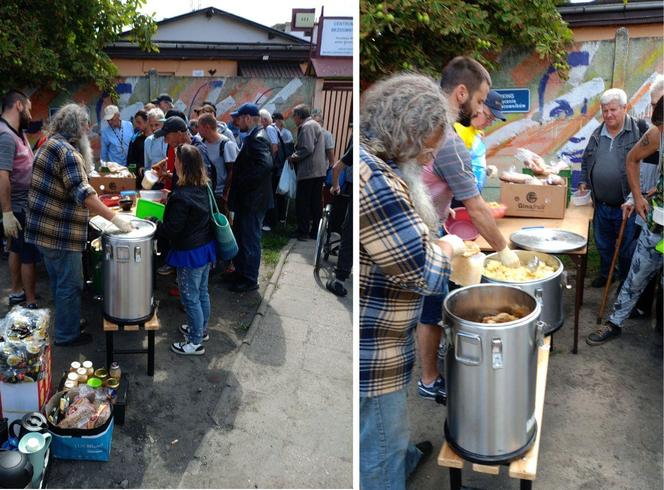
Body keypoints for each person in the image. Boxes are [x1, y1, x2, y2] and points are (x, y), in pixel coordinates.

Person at [359, 73, 466, 490]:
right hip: (376, 360)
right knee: (379, 455)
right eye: (426, 149)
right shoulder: (379, 182)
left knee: (385, 437)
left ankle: (400, 457)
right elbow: (423, 271)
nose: (427, 161)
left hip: (384, 344)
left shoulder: (377, 166)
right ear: (406, 131)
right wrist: (450, 248)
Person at [417, 56, 520, 401]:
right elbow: (476, 207)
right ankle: (429, 379)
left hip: (426, 226)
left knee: (430, 306)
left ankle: (430, 370)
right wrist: (504, 251)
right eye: (479, 101)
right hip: (423, 236)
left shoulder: (421, 121)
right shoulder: (445, 137)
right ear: (462, 93)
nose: (480, 110)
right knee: (431, 308)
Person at [25, 103, 132, 346]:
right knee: (70, 285)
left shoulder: (48, 143)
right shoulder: (68, 153)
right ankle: (67, 335)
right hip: (59, 234)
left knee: (58, 281)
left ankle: (66, 322)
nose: (88, 128)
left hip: (42, 231)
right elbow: (83, 192)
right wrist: (114, 218)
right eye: (85, 124)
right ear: (75, 126)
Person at [586, 95, 663, 345]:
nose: (661, 133)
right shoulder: (655, 135)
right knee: (634, 277)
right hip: (656, 226)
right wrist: (638, 197)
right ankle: (615, 323)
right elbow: (632, 159)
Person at [578, 88, 648, 288]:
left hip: (627, 204)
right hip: (601, 204)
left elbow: (645, 167)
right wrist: (584, 180)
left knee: (626, 248)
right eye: (604, 110)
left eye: (613, 110)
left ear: (625, 108)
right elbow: (586, 160)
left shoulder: (638, 132)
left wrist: (636, 197)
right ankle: (608, 272)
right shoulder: (597, 133)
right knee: (603, 244)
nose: (608, 114)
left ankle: (625, 282)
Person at [152, 144, 216, 355]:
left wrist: (153, 221)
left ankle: (195, 342)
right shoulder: (203, 186)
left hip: (190, 252)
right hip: (205, 248)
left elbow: (172, 230)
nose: (173, 162)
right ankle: (202, 329)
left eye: (176, 160)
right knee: (202, 293)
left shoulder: (182, 196)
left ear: (183, 164)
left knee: (190, 297)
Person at [152, 116, 213, 277]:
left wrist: (175, 197)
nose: (165, 141)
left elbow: (201, 184)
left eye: (167, 136)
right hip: (190, 231)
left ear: (180, 133)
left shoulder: (197, 150)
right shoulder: (181, 149)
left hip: (194, 239)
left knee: (192, 290)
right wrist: (169, 177)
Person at [227, 103, 273, 293]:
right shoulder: (254, 136)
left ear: (247, 118)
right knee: (242, 237)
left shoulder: (258, 138)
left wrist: (243, 183)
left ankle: (249, 279)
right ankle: (240, 272)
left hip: (253, 201)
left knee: (250, 239)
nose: (236, 122)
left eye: (238, 118)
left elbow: (265, 165)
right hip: (249, 200)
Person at [0, 90, 40, 308]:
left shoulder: (17, 132)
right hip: (19, 207)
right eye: (29, 108)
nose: (30, 114)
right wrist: (7, 212)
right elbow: (2, 174)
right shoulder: (5, 136)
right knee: (28, 254)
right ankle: (31, 301)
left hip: (21, 204)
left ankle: (17, 291)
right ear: (18, 105)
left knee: (16, 248)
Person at [453, 89, 505, 193]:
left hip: (472, 194)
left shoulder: (477, 132)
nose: (489, 123)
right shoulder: (458, 131)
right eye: (489, 117)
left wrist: (484, 169)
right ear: (478, 107)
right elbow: (454, 168)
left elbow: (469, 161)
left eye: (493, 120)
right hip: (459, 196)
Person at [288, 104, 327, 241]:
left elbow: (307, 148)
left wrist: (293, 157)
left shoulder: (307, 126)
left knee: (303, 203)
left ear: (299, 116)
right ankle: (314, 232)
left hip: (309, 171)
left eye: (294, 116)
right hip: (318, 171)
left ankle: (303, 232)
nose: (294, 119)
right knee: (315, 203)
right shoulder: (314, 125)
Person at [197, 112, 239, 216]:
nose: (197, 130)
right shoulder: (201, 144)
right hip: (205, 193)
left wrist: (225, 194)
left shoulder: (226, 144)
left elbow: (232, 171)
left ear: (207, 127)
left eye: (199, 127)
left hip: (220, 196)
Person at [326, 136, 352, 297]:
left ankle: (339, 279)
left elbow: (336, 168)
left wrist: (335, 186)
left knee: (350, 232)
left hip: (352, 186)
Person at [126, 109, 150, 174]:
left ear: (147, 121)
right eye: (136, 123)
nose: (137, 125)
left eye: (139, 122)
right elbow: (131, 161)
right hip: (140, 177)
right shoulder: (136, 139)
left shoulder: (157, 139)